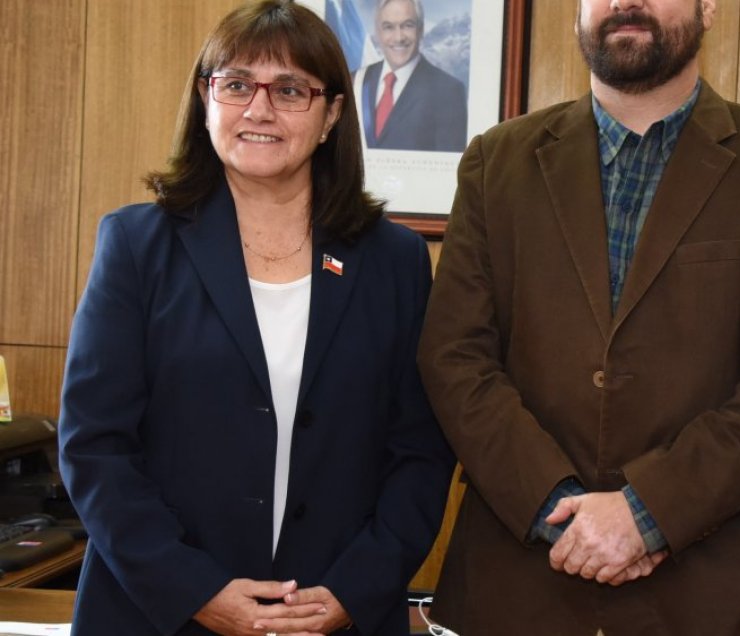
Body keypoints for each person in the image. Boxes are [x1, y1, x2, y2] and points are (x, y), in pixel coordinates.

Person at [417, 0, 740, 633]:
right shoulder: (495, 162)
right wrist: (556, 507)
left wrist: (648, 513)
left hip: (711, 595)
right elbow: (454, 357)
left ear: (709, 10)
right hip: (516, 583)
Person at [58, 2, 454, 634]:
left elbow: (421, 453)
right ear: (205, 99)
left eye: (291, 90)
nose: (259, 109)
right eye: (237, 84)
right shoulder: (136, 246)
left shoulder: (396, 262)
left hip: (331, 613)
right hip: (159, 610)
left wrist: (355, 589)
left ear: (330, 116)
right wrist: (196, 590)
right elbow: (94, 446)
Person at [355, 0, 468, 152]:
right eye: (388, 27)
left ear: (420, 29)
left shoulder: (448, 91)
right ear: (377, 33)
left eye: (407, 25)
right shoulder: (357, 81)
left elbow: (449, 167)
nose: (398, 37)